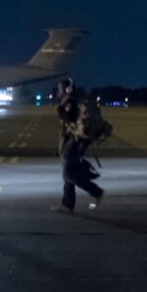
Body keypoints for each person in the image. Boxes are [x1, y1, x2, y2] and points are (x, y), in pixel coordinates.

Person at [55, 78, 104, 212]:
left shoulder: (70, 102)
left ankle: (95, 191)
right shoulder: (73, 101)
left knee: (67, 173)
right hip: (76, 140)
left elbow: (68, 118)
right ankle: (67, 204)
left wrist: (59, 109)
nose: (58, 92)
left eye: (60, 89)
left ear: (67, 90)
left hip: (76, 141)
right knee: (68, 170)